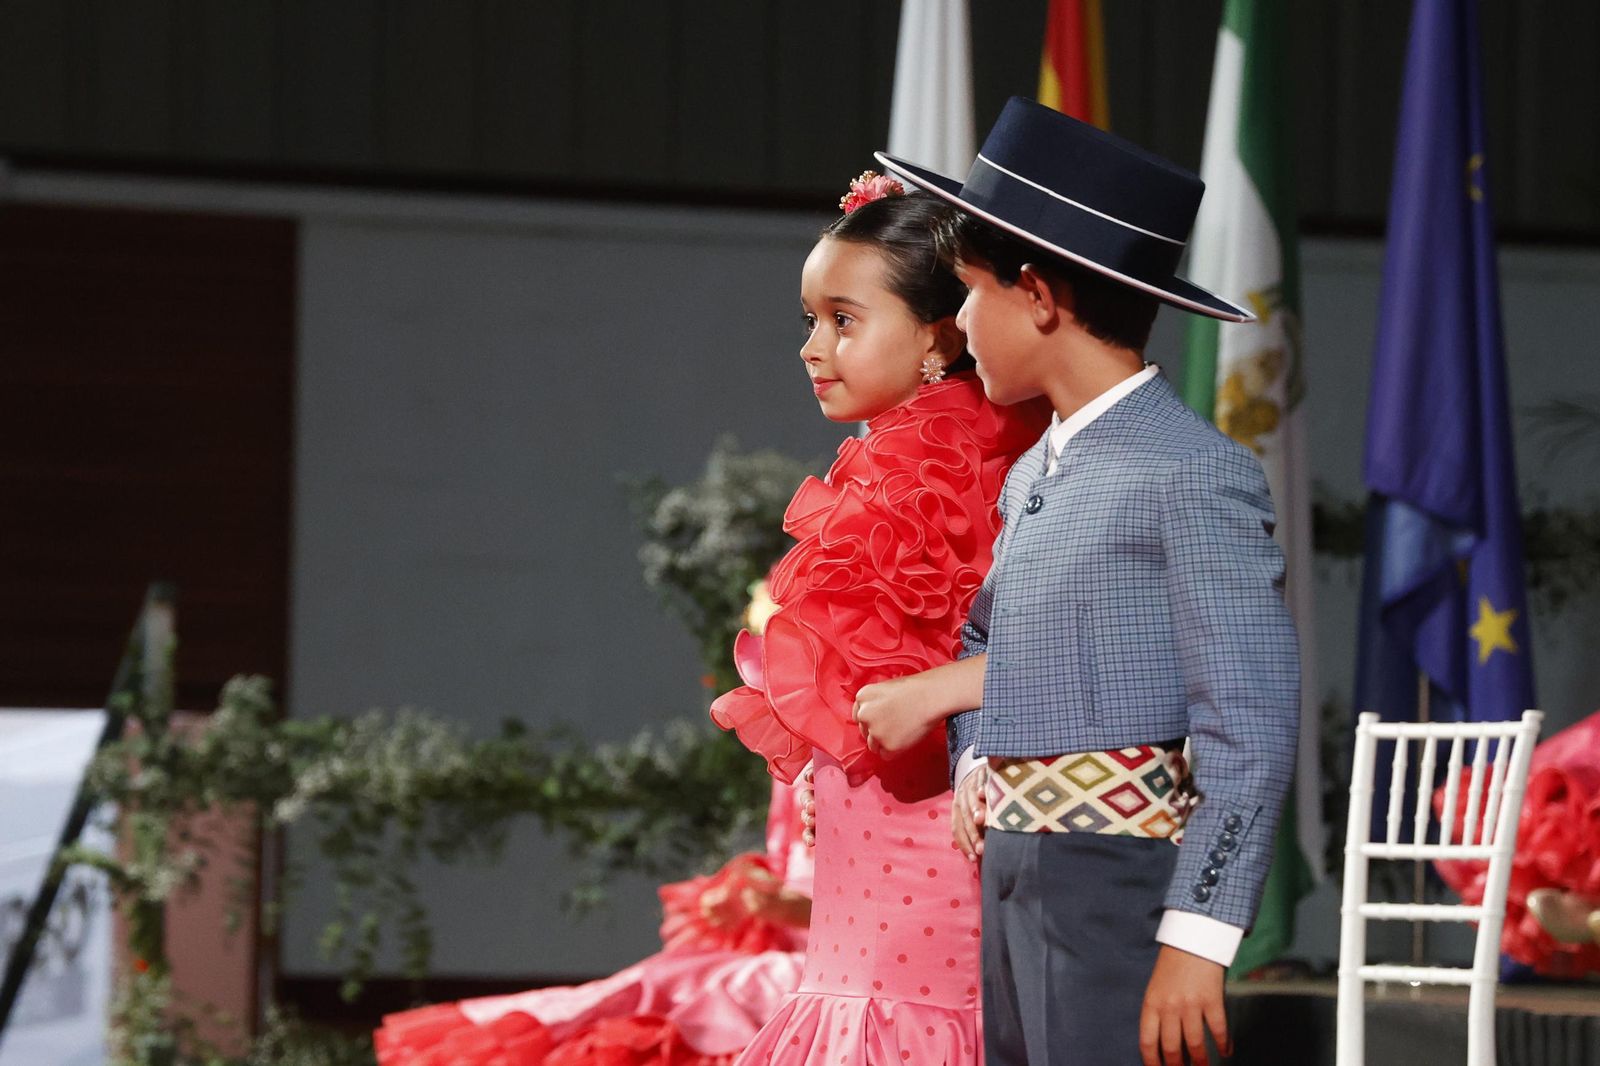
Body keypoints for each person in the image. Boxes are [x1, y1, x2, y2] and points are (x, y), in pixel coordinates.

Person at [855, 98, 1301, 1066]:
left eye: (970, 290)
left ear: (1040, 298)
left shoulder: (1188, 470)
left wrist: (1197, 934)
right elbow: (987, 640)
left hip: (1118, 876)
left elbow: (1248, 720)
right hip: (1019, 868)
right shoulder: (1034, 471)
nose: (959, 319)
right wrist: (978, 759)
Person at [710, 175, 1050, 1065]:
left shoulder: (966, 460)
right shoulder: (893, 458)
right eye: (810, 322)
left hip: (936, 834)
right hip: (877, 840)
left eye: (844, 320)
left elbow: (1044, 653)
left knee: (906, 1020)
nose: (813, 348)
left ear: (940, 335)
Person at [372, 774, 813, 1066]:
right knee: (642, 994)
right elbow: (790, 857)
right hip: (790, 955)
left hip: (833, 969)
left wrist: (805, 911)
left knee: (707, 1008)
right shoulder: (795, 744)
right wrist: (750, 885)